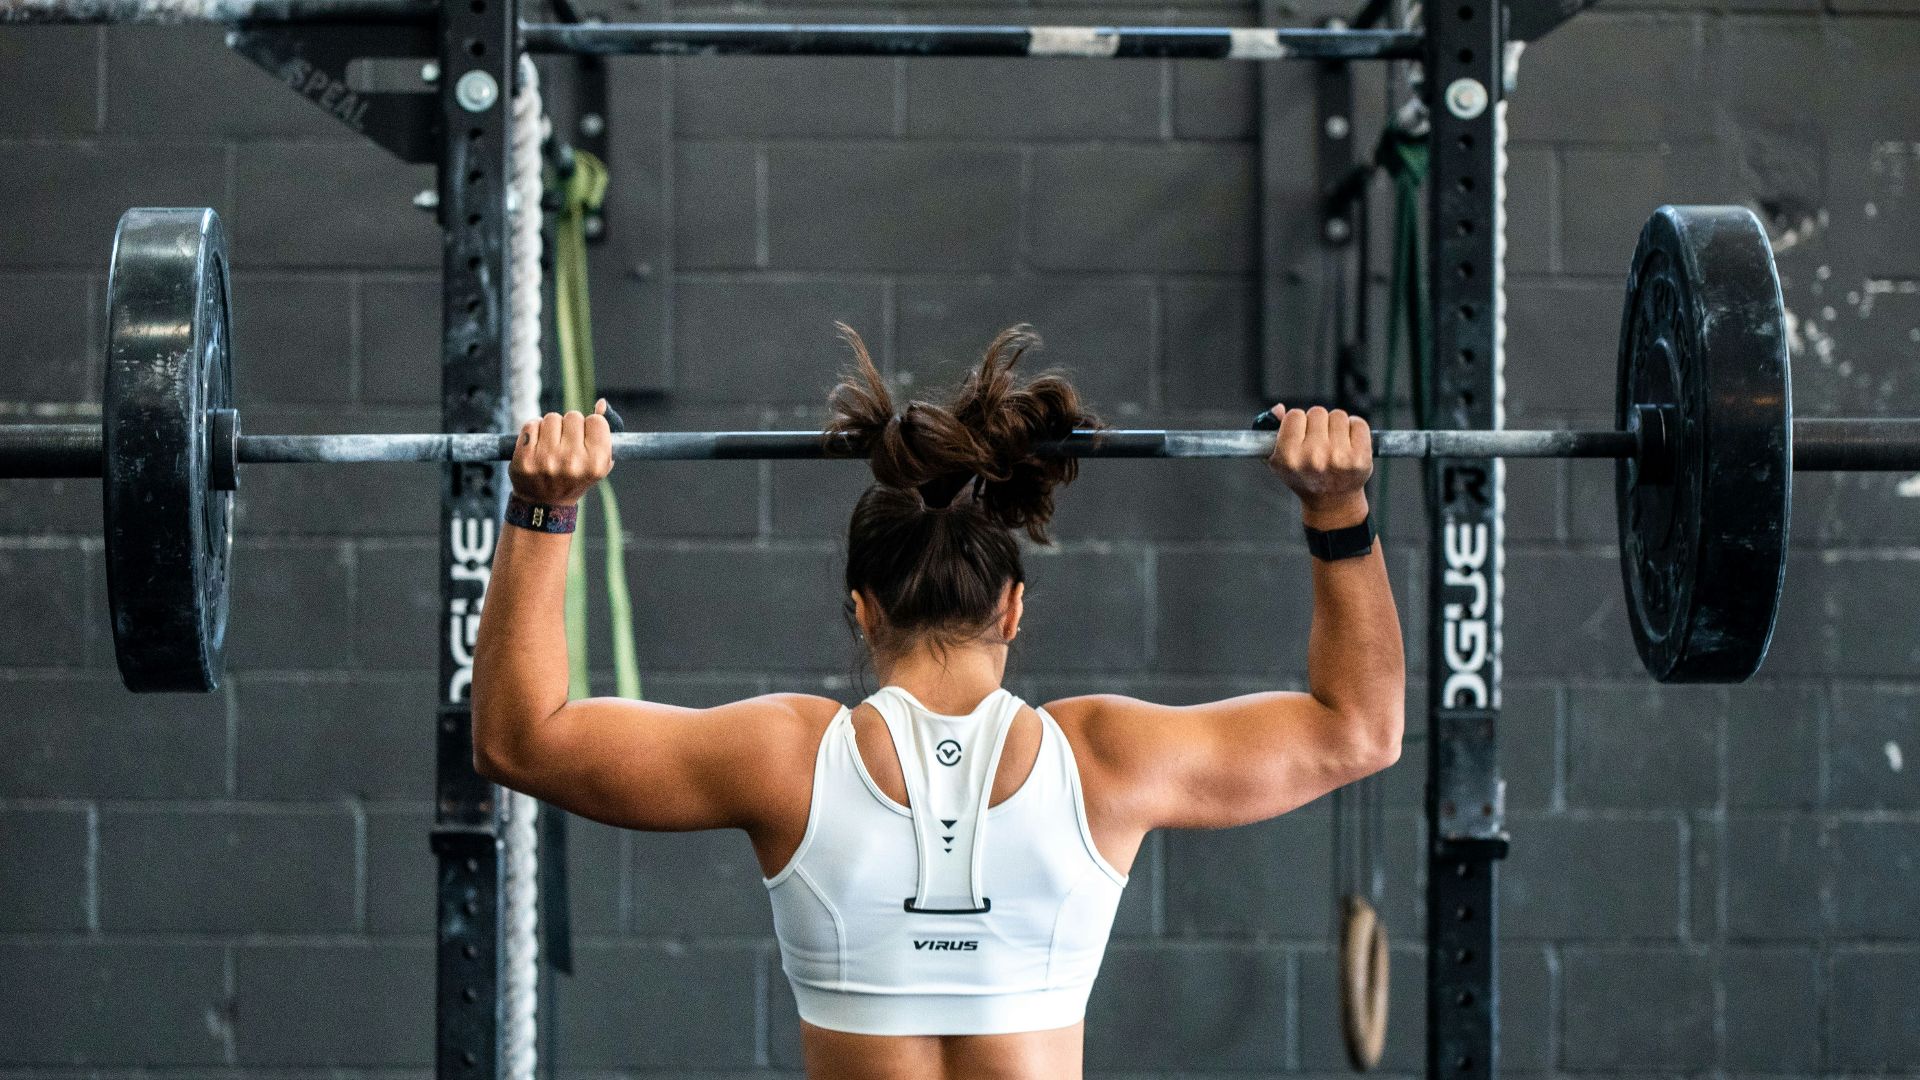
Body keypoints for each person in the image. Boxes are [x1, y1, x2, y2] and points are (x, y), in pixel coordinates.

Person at [472, 325, 1404, 1080]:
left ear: (860, 608)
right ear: (1013, 606)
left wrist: (543, 508)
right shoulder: (1103, 760)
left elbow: (521, 740)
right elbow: (1359, 729)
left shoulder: (787, 758)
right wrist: (1338, 510)